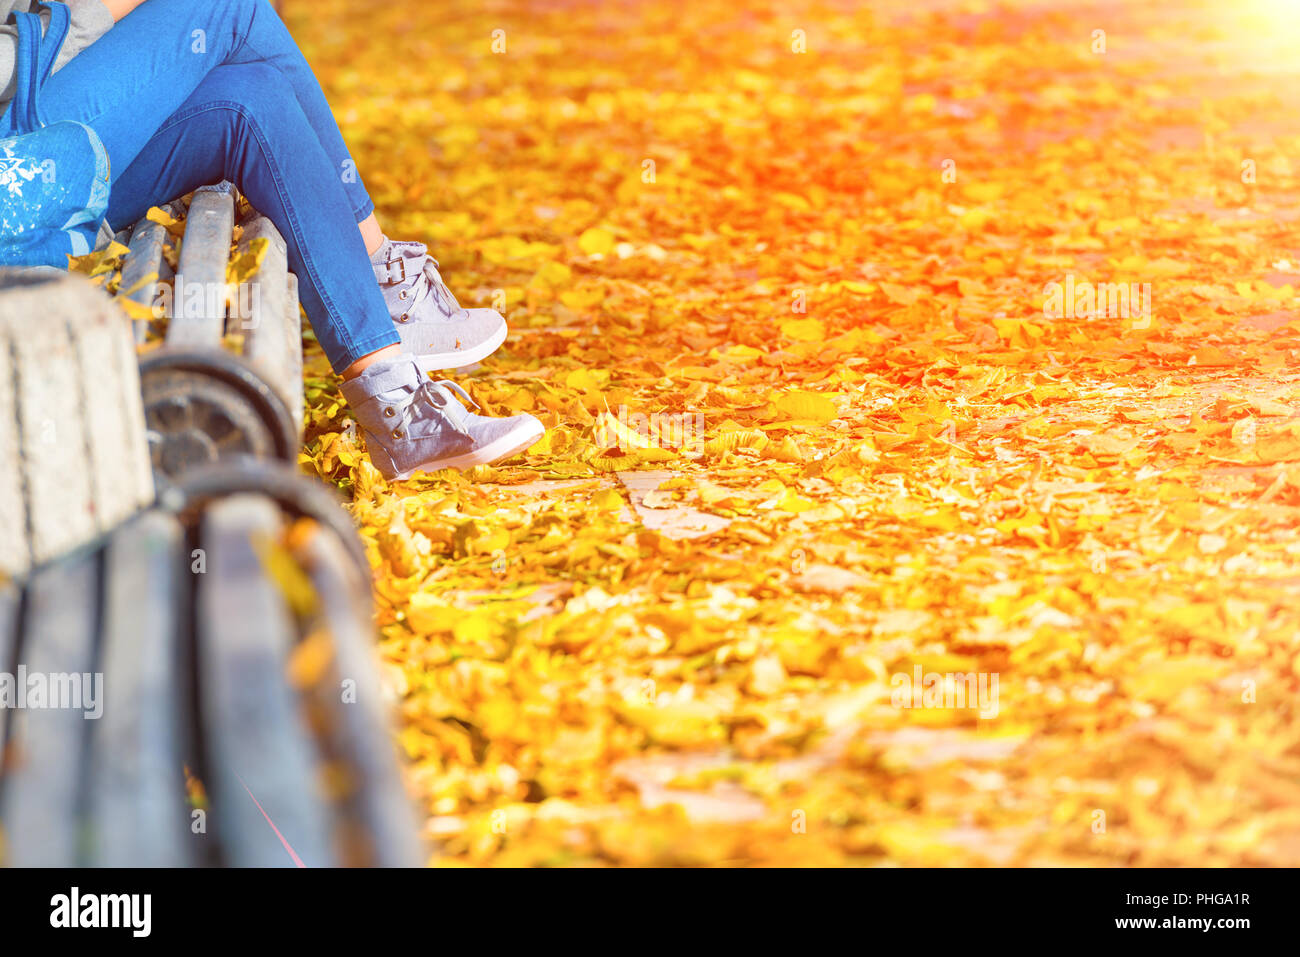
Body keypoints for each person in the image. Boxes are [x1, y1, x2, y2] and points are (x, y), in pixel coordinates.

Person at [0, 0, 544, 479]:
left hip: (52, 139)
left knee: (252, 95)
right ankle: (384, 277)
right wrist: (97, 9)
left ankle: (392, 402)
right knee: (226, 4)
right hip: (20, 165)